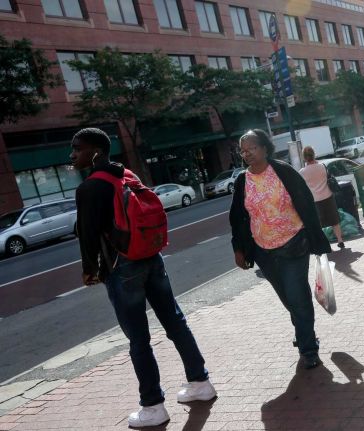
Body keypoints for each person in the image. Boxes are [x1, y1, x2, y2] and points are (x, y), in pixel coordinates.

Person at [70, 128, 215, 428]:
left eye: (77, 148)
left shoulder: (90, 188)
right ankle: (201, 383)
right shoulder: (127, 176)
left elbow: (88, 235)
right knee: (176, 321)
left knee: (139, 339)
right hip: (152, 257)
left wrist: (90, 270)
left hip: (123, 268)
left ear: (96, 152)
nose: (72, 155)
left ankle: (152, 405)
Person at [230, 130, 331, 370]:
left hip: (294, 244)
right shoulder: (242, 181)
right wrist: (239, 249)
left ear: (265, 148)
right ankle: (303, 329)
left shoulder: (284, 172)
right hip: (263, 251)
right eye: (243, 151)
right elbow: (237, 218)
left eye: (251, 148)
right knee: (288, 299)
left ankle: (308, 349)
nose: (247, 154)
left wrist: (316, 239)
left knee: (298, 297)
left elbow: (306, 203)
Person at [299, 146, 345, 250]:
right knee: (334, 221)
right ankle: (340, 240)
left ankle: (325, 244)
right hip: (328, 197)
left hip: (315, 201)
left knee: (318, 225)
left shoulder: (302, 172)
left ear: (304, 157)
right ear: (314, 154)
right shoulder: (322, 166)